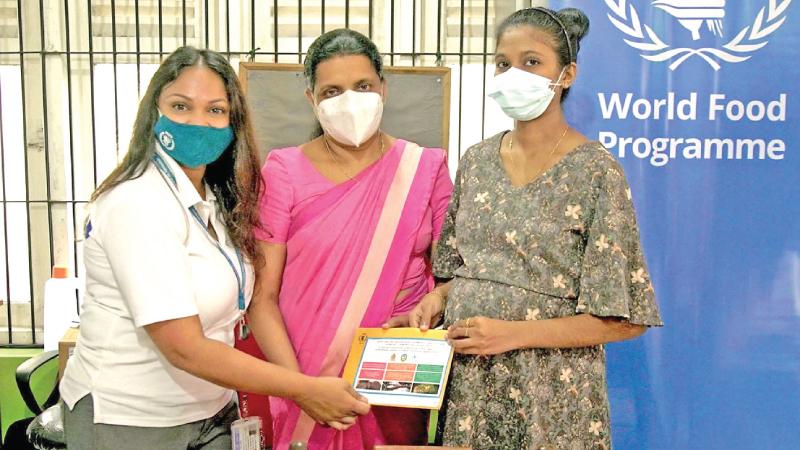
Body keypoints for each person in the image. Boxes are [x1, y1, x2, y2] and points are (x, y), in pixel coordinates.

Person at [59, 46, 369, 450]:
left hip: (210, 412)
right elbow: (184, 348)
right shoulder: (137, 203)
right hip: (132, 422)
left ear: (232, 121)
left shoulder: (213, 200)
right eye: (181, 106)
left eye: (215, 111)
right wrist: (303, 388)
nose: (198, 123)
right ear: (154, 111)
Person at [404, 7, 663, 449]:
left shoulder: (596, 172)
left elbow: (623, 319)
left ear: (566, 74)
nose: (512, 74)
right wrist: (437, 298)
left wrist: (512, 335)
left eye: (531, 62)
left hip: (553, 395)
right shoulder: (476, 162)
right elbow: (464, 271)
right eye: (503, 63)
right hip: (472, 388)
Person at [251, 29, 453, 449]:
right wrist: (300, 389)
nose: (350, 100)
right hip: (304, 378)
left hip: (395, 380)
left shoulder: (425, 168)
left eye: (362, 86)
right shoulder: (282, 171)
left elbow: (458, 275)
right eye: (332, 90)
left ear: (384, 88)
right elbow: (261, 299)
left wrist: (431, 304)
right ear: (311, 99)